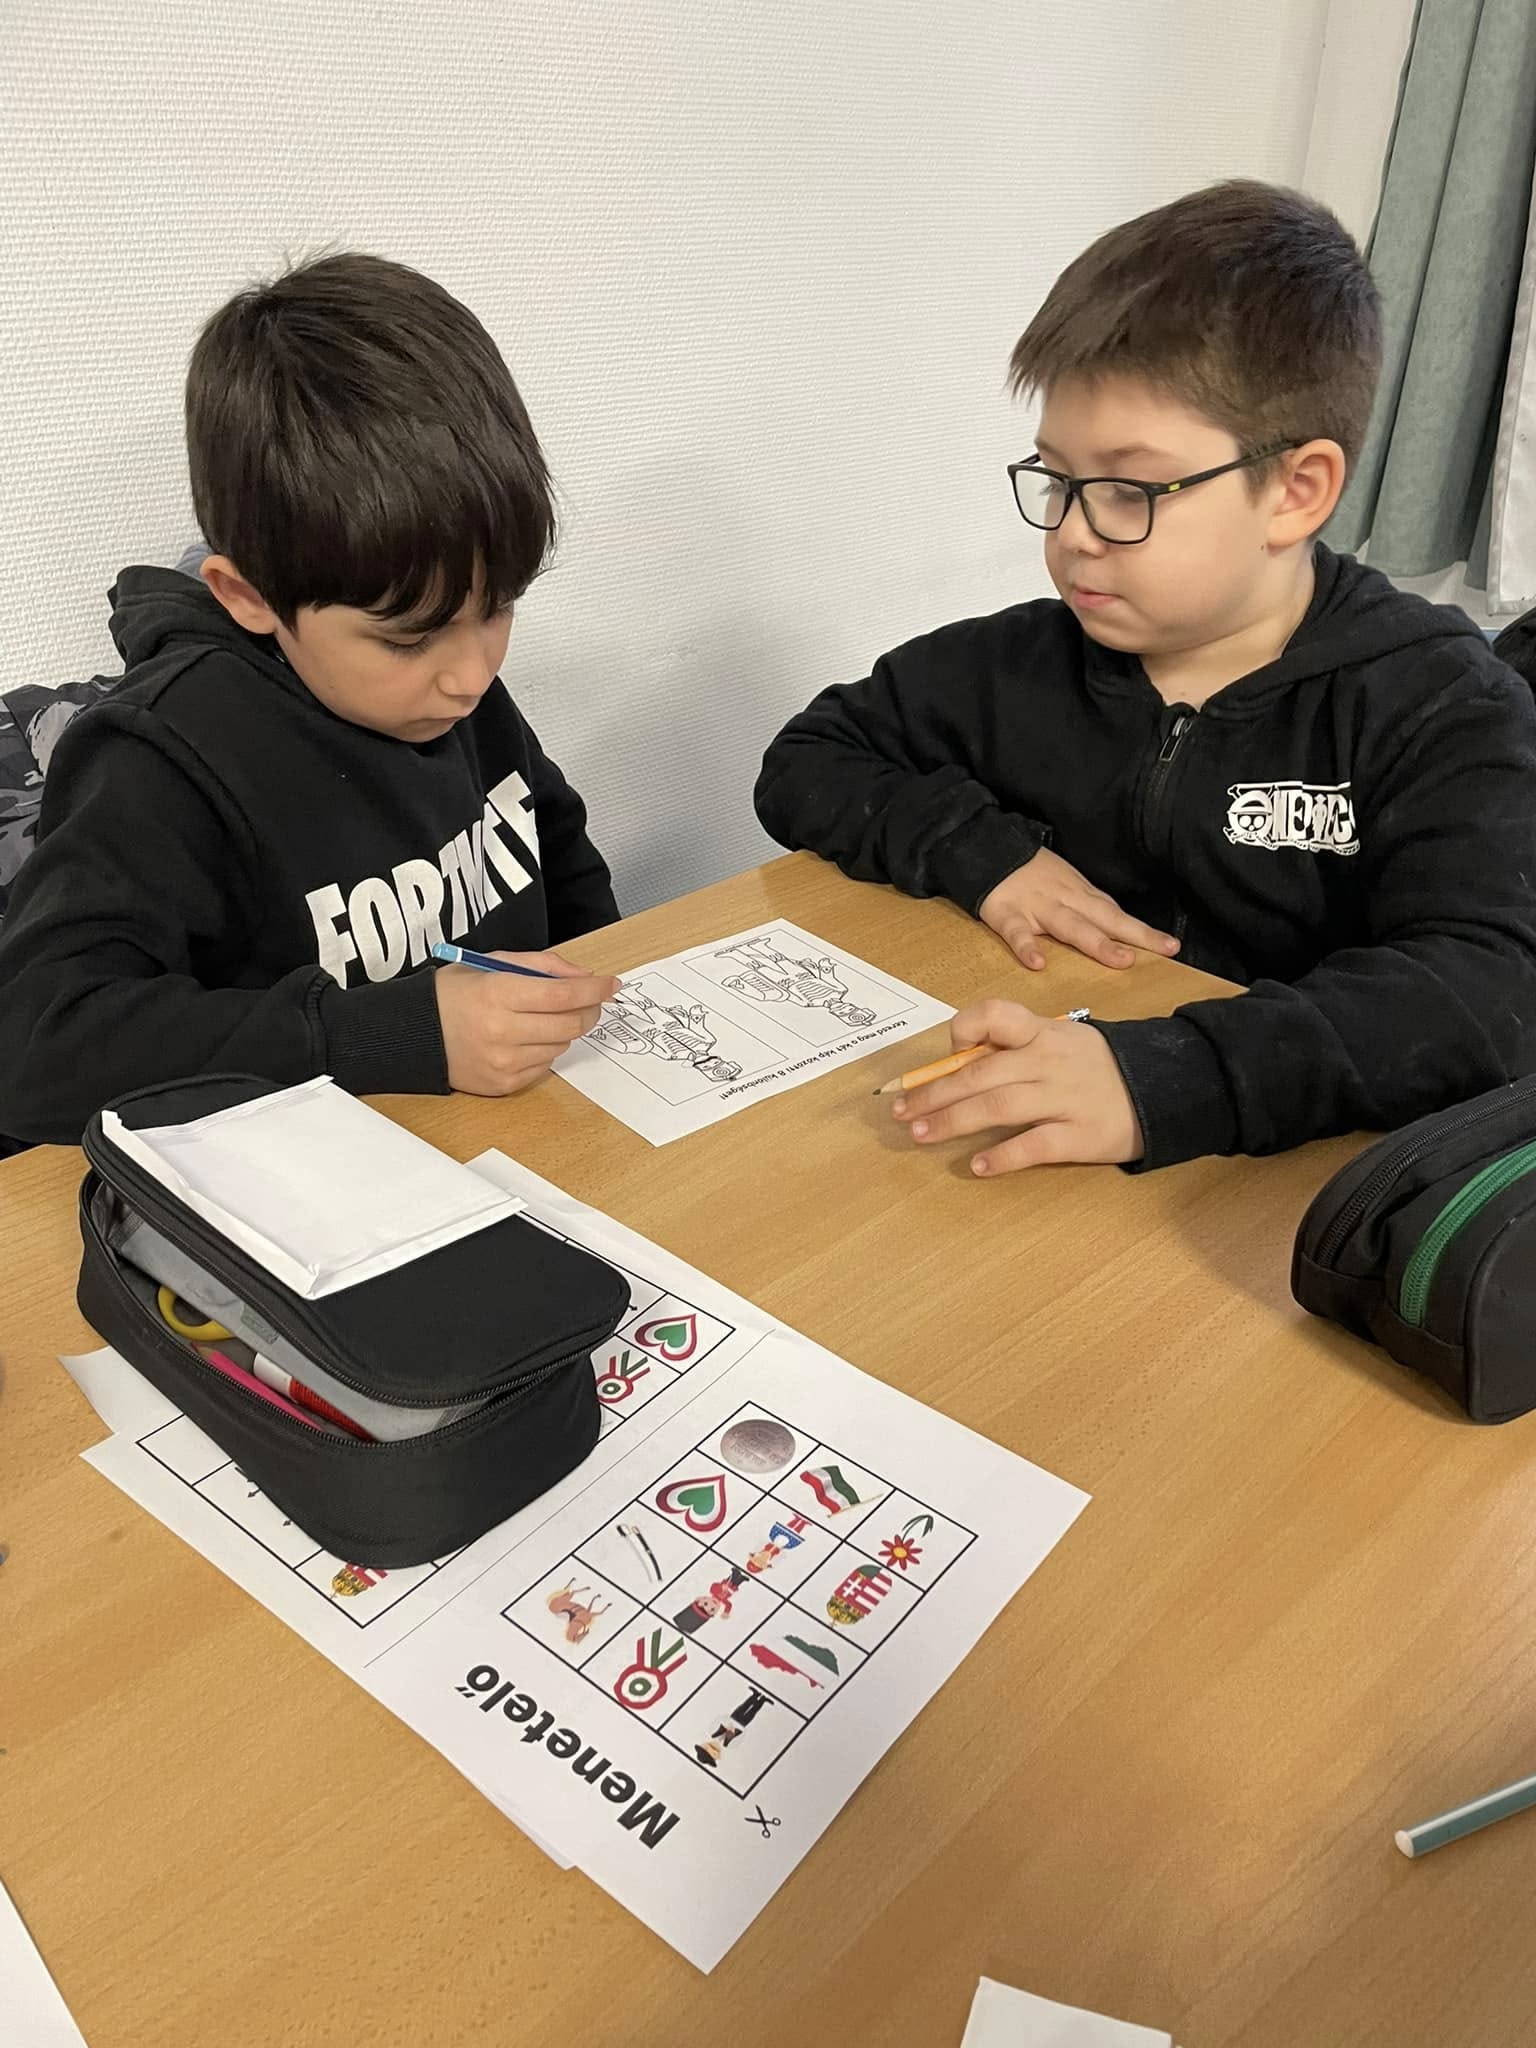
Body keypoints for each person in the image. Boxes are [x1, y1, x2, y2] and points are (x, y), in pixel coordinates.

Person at [755, 181, 1536, 1175]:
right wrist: (979, 851)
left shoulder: (1443, 705)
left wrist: (1163, 1078)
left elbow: (1488, 992)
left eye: (1129, 489)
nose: (1074, 534)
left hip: (1274, 1181)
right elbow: (809, 758)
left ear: (1295, 492)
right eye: (1058, 480)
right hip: (1044, 1129)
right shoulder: (1018, 663)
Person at [0, 253, 620, 1146]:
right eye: (407, 637)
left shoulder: (451, 688)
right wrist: (394, 1033)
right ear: (248, 595)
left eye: (499, 608)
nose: (471, 674)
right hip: (314, 1177)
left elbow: (554, 844)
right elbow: (37, 1050)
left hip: (527, 1138)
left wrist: (609, 986)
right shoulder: (160, 755)